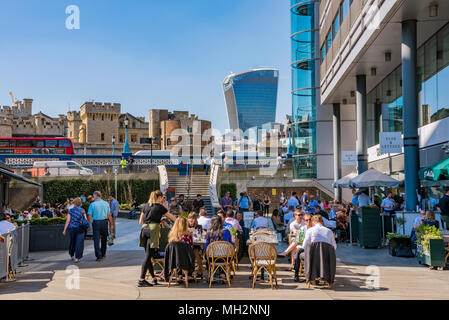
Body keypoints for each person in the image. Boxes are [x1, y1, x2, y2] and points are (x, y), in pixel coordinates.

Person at [138, 190, 176, 287]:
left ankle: (154, 279)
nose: (162, 199)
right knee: (147, 256)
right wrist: (180, 221)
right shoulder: (159, 207)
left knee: (148, 255)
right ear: (159, 198)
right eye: (162, 198)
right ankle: (141, 279)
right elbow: (171, 217)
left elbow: (140, 221)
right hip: (153, 230)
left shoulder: (146, 205)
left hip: (144, 230)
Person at [87, 191, 114, 262]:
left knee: (96, 240)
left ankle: (98, 256)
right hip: (105, 222)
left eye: (93, 196)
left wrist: (87, 225)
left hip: (96, 223)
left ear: (96, 196)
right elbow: (109, 215)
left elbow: (89, 216)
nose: (93, 197)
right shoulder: (106, 203)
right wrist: (111, 224)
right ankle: (103, 253)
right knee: (104, 239)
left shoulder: (92, 204)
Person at [63, 198, 88, 263]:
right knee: (79, 243)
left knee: (72, 242)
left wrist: (64, 230)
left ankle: (71, 254)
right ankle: (77, 258)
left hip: (72, 228)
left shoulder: (71, 210)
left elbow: (68, 221)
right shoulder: (82, 210)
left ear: (74, 203)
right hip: (80, 228)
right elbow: (85, 219)